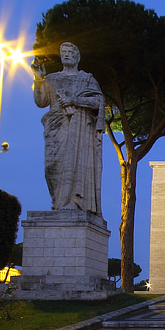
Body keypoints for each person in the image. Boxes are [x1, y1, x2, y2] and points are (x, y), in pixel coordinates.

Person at [32, 42, 104, 214]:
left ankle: (74, 201)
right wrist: (38, 79)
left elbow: (98, 102)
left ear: (77, 57)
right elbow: (41, 102)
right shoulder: (52, 78)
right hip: (56, 127)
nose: (66, 54)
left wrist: (75, 101)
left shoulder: (86, 80)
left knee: (74, 162)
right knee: (51, 166)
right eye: (63, 52)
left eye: (70, 51)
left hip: (79, 128)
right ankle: (57, 202)